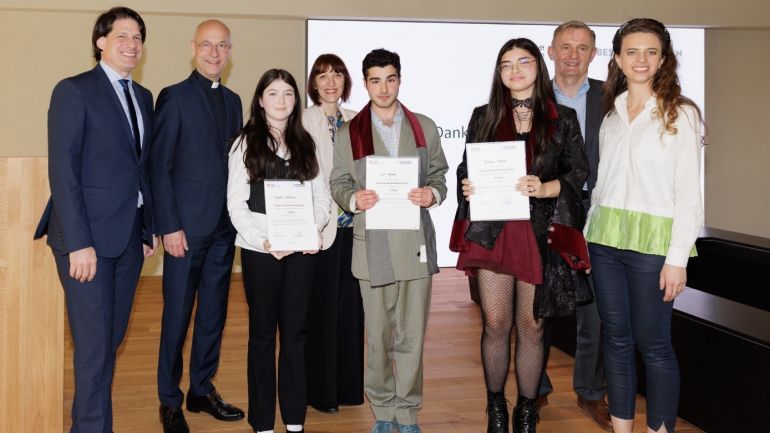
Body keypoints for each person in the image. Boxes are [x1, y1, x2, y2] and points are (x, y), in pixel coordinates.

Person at [451, 38, 590, 433]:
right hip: (494, 232)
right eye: (506, 64)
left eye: (523, 61)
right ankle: (496, 408)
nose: (514, 70)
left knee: (532, 326)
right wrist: (468, 185)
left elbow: (577, 173)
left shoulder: (563, 118)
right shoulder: (483, 116)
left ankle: (527, 411)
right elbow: (466, 168)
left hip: (537, 234)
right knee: (495, 324)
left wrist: (544, 188)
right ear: (499, 74)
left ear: (537, 67)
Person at [33, 6, 158, 433]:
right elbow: (63, 172)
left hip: (129, 240)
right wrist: (80, 243)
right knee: (93, 348)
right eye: (122, 35)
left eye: (138, 37)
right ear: (101, 41)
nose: (131, 44)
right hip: (85, 242)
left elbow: (141, 170)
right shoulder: (74, 91)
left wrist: (146, 228)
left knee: (108, 343)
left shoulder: (143, 97)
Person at [584, 18, 704, 433]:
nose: (641, 59)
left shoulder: (681, 114)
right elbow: (603, 184)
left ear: (664, 58)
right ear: (617, 57)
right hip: (604, 241)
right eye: (631, 51)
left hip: (654, 246)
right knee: (615, 342)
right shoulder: (612, 113)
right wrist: (587, 233)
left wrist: (677, 259)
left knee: (654, 346)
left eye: (651, 51)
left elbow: (689, 194)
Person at [329, 48, 448, 433]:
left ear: (400, 80)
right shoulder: (349, 133)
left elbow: (440, 176)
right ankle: (382, 410)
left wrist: (432, 194)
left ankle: (407, 411)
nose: (383, 87)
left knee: (412, 336)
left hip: (415, 245)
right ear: (365, 83)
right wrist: (352, 199)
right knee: (378, 338)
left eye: (390, 78)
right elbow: (339, 181)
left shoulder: (424, 127)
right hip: (372, 247)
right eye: (375, 80)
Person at [150, 20, 244, 433]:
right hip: (184, 232)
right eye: (207, 45)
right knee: (177, 318)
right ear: (193, 48)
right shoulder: (173, 97)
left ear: (229, 51)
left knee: (213, 316)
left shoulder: (235, 100)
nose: (214, 52)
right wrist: (168, 225)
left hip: (225, 230)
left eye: (221, 46)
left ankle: (201, 390)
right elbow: (159, 166)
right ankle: (169, 400)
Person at [227, 68, 331, 433]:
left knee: (296, 333)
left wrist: (312, 229)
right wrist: (265, 241)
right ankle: (263, 422)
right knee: (262, 335)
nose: (282, 100)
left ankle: (294, 419)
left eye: (288, 94)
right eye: (273, 93)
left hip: (302, 250)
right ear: (260, 100)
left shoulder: (307, 143)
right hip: (261, 251)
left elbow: (321, 199)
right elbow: (237, 205)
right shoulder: (244, 143)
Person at [540, 20, 611, 431]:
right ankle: (537, 385)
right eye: (565, 46)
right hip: (548, 211)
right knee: (542, 304)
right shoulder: (530, 95)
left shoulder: (612, 95)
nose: (572, 54)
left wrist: (694, 122)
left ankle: (590, 391)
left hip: (599, 211)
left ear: (593, 54)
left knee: (597, 308)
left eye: (582, 47)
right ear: (551, 52)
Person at [301, 54, 364, 413]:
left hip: (355, 229)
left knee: (351, 310)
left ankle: (349, 388)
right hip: (319, 228)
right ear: (313, 82)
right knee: (321, 310)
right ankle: (321, 392)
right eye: (323, 75)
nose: (330, 81)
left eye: (337, 74)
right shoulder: (304, 120)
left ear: (345, 81)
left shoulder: (357, 120)